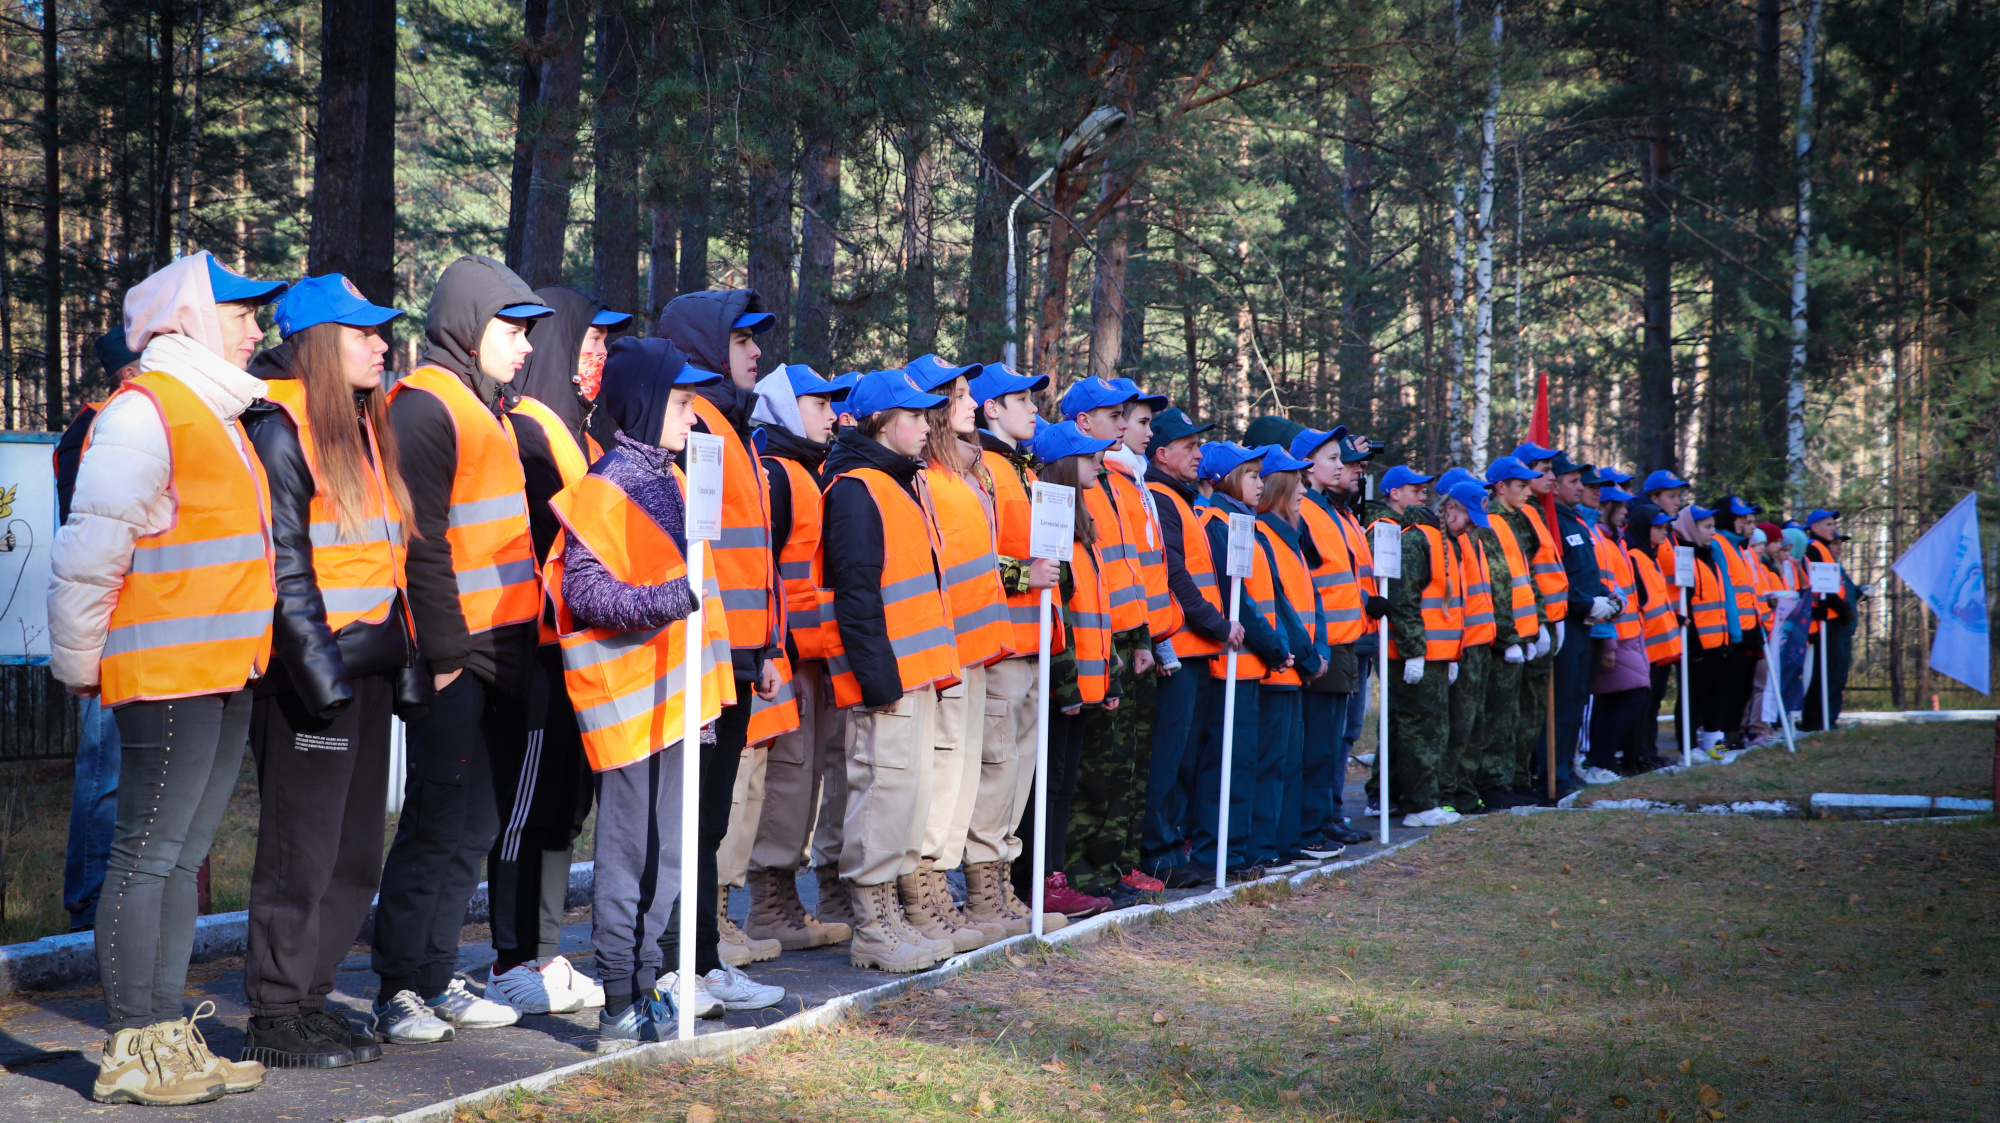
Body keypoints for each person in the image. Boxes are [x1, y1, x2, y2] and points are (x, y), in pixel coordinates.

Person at [51, 250, 282, 1104]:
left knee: (179, 859)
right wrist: (80, 666)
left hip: (224, 671)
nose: (258, 330)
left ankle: (164, 1038)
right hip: (168, 672)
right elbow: (92, 550)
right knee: (147, 858)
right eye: (241, 313)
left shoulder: (215, 411)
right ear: (188, 317)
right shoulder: (145, 412)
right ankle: (130, 1048)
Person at [545, 335, 771, 1050]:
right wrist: (672, 597)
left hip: (680, 701)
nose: (692, 415)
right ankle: (618, 998)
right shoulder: (608, 484)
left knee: (669, 855)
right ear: (643, 405)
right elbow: (583, 591)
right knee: (629, 855)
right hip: (632, 705)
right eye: (679, 403)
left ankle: (640, 989)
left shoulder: (672, 476)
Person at [236, 274, 421, 1068]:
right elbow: (285, 566)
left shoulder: (359, 424)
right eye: (363, 332)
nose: (382, 343)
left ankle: (310, 1000)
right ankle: (275, 1014)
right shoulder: (278, 426)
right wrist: (318, 674)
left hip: (368, 666)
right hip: (313, 675)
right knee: (299, 849)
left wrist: (404, 662)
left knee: (353, 853)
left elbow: (385, 558)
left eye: (382, 331)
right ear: (318, 342)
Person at [375, 254, 546, 1042]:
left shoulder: (491, 408)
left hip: (497, 650)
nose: (525, 346)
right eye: (513, 330)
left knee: (474, 824)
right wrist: (442, 652)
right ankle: (399, 986)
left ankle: (437, 976)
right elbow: (422, 541)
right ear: (471, 326)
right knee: (436, 820)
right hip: (454, 652)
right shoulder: (426, 406)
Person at [485, 284, 629, 1015]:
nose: (597, 355)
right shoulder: (529, 433)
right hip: (535, 654)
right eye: (590, 340)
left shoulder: (587, 439)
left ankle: (543, 951)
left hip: (583, 652)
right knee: (526, 804)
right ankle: (511, 955)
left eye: (606, 344)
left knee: (563, 808)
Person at [652, 290, 787, 973]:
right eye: (741, 340)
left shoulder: (731, 425)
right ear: (708, 346)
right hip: (701, 653)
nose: (757, 351)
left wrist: (763, 645)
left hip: (734, 653)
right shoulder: (696, 423)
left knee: (709, 820)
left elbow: (748, 553)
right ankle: (680, 964)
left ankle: (701, 961)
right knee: (691, 818)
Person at [821, 369, 963, 970]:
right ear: (881, 422)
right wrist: (879, 681)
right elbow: (856, 595)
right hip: (888, 680)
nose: (926, 424)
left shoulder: (900, 482)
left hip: (915, 673)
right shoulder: (858, 489)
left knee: (903, 795)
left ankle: (889, 916)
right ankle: (872, 928)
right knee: (880, 794)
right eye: (913, 415)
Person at [740, 363, 857, 951]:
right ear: (786, 409)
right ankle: (765, 904)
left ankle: (783, 901)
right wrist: (774, 651)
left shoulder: (804, 471)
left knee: (802, 782)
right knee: (785, 783)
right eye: (818, 405)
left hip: (811, 657)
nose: (831, 416)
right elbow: (763, 572)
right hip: (780, 663)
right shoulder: (777, 474)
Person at [902, 353, 1010, 952]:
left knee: (961, 773)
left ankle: (938, 888)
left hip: (976, 647)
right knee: (939, 774)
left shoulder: (967, 472)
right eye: (962, 395)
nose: (973, 404)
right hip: (943, 651)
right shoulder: (928, 477)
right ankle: (923, 895)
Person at [969, 362, 1065, 929]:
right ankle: (984, 894)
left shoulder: (1024, 471)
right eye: (1020, 400)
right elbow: (974, 556)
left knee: (1019, 771)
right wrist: (1026, 576)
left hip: (1033, 642)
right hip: (1003, 643)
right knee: (997, 768)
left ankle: (1004, 890)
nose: (1033, 409)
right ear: (992, 410)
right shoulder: (983, 468)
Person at [1056, 377, 1159, 901]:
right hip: (1091, 643)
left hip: (1122, 642)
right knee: (1091, 771)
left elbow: (1131, 572)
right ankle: (1082, 872)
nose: (1124, 425)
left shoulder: (1121, 485)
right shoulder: (1080, 483)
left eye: (1129, 416)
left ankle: (1113, 864)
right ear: (1082, 423)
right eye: (1114, 415)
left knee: (1121, 769)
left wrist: (1143, 636)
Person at [57, 331, 144, 935]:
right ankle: (88, 903)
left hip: (151, 621)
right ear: (128, 370)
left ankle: (113, 902)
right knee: (106, 768)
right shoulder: (103, 427)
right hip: (117, 620)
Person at [1140, 409, 1242, 887]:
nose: (1199, 454)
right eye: (1190, 446)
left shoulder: (1177, 497)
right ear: (1163, 454)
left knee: (1184, 757)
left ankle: (1172, 847)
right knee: (1169, 755)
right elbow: (1175, 575)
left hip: (1196, 646)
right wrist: (1218, 624)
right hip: (1180, 648)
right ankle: (1159, 853)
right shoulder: (1160, 498)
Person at [1194, 444, 1293, 879]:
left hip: (1252, 665)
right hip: (1230, 666)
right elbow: (1241, 603)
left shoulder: (1244, 524)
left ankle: (1237, 851)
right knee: (1224, 765)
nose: (1260, 482)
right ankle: (1221, 853)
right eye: (1251, 475)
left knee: (1244, 763)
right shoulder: (1220, 524)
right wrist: (1273, 645)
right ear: (1228, 479)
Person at [1371, 466, 1463, 827]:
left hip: (1427, 648)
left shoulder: (1421, 533)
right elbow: (1402, 598)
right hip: (1404, 647)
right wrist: (1413, 650)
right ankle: (1413, 802)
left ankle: (1400, 797)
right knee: (1415, 726)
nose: (1424, 496)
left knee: (1415, 725)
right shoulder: (1401, 533)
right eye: (1415, 489)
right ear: (1394, 492)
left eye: (1426, 491)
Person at [1250, 447, 1326, 871]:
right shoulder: (1264, 534)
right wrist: (1306, 656)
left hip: (1295, 666)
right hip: (1278, 667)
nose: (1304, 488)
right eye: (1296, 481)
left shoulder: (1290, 537)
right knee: (1271, 763)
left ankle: (1284, 841)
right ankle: (1266, 845)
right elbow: (1277, 606)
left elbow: (1310, 602)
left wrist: (1318, 653)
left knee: (1288, 761)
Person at [1481, 456, 1549, 807]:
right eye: (1520, 486)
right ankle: (1494, 784)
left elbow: (1526, 573)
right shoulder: (1490, 521)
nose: (1527, 491)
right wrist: (1508, 636)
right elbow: (1496, 581)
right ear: (1500, 487)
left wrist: (1540, 623)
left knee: (1522, 712)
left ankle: (1517, 778)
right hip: (1504, 635)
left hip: (1525, 631)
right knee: (1500, 713)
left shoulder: (1518, 519)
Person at [1433, 473, 1496, 814]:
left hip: (1477, 642)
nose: (1472, 528)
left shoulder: (1468, 540)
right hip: (1460, 645)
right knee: (1455, 728)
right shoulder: (1444, 542)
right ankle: (1447, 795)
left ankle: (1465, 794)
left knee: (1472, 727)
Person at [1582, 485, 1651, 779]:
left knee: (1617, 697)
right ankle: (1600, 760)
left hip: (1629, 632)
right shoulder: (1599, 539)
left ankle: (1602, 761)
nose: (1626, 511)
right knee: (1634, 694)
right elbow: (1600, 589)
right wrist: (1608, 639)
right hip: (1613, 633)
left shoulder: (1616, 540)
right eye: (1620, 505)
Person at [1672, 505, 1735, 755]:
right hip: (1697, 643)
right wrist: (1694, 639)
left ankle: (1712, 741)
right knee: (1691, 697)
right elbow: (1684, 602)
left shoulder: (1710, 556)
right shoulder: (1685, 557)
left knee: (1714, 693)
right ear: (1691, 527)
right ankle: (1687, 746)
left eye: (1713, 526)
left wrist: (1726, 636)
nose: (1713, 532)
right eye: (1707, 527)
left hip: (1717, 641)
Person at [1626, 511, 1683, 770]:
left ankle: (1648, 751)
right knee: (1643, 705)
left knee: (1653, 704)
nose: (1664, 532)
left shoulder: (1651, 557)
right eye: (1658, 527)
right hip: (1647, 645)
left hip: (1661, 646)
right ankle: (1638, 755)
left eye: (1666, 527)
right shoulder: (1636, 557)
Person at [1799, 508, 1857, 731]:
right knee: (1820, 672)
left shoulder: (1823, 549)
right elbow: (1822, 587)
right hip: (1823, 621)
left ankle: (1822, 718)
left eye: (1833, 524)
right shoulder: (1814, 549)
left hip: (1831, 619)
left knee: (1827, 670)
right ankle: (1814, 720)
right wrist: (1843, 610)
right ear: (1814, 528)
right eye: (1828, 524)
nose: (1833, 528)